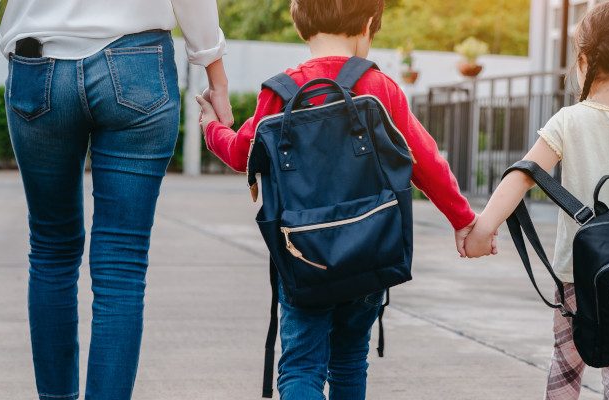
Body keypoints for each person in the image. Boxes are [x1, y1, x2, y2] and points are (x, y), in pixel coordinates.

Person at [0, 1, 232, 399]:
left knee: (52, 252)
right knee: (122, 262)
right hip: (138, 65)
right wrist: (215, 73)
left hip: (39, 65)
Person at [196, 0, 475, 397]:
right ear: (367, 24)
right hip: (369, 252)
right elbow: (425, 160)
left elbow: (242, 153)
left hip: (303, 258)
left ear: (300, 23)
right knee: (348, 359)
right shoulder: (378, 87)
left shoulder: (278, 93)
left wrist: (210, 126)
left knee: (301, 366)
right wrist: (463, 221)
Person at [463, 2, 609, 399]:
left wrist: (483, 228)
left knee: (566, 364)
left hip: (577, 274)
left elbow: (523, 175)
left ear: (584, 59)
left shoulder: (569, 120)